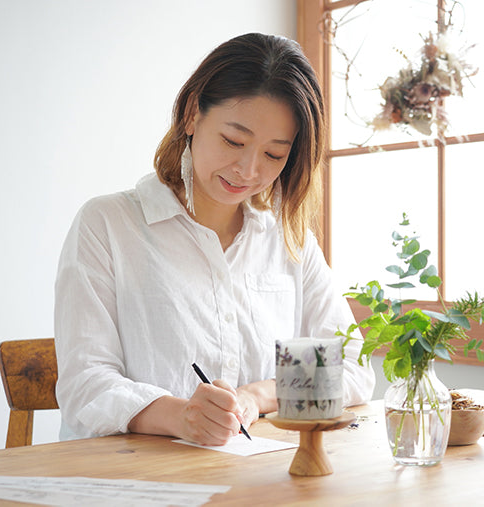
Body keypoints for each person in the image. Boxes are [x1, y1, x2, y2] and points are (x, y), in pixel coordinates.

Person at [54, 32, 375, 445]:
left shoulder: (287, 238)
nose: (248, 169)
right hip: (131, 480)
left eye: (274, 155)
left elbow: (352, 368)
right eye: (233, 141)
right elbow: (85, 383)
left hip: (252, 476)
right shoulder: (108, 224)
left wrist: (256, 396)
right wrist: (179, 416)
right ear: (192, 114)